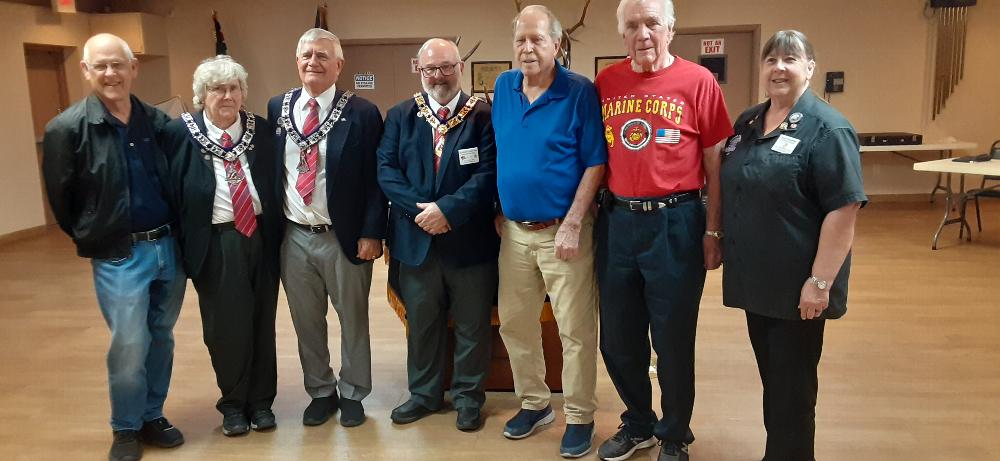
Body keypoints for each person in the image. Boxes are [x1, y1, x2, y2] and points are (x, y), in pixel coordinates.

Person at [592, 1, 733, 460]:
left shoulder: (699, 82)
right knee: (617, 335)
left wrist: (714, 230)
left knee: (672, 336)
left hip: (677, 222)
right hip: (617, 222)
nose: (643, 33)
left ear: (670, 28)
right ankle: (638, 424)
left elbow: (715, 161)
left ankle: (674, 433)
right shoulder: (606, 84)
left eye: (652, 23)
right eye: (632, 25)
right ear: (622, 34)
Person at [720, 30, 866, 461]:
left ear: (809, 68)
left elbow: (844, 211)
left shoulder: (829, 128)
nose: (778, 67)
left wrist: (819, 283)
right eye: (771, 60)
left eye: (790, 59)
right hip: (757, 284)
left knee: (793, 390)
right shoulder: (749, 121)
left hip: (798, 288)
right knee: (776, 382)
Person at [42, 33, 186, 461]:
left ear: (133, 69)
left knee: (160, 336)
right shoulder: (66, 129)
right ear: (85, 70)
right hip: (119, 256)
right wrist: (95, 235)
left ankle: (151, 415)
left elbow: (176, 181)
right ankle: (125, 426)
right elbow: (62, 200)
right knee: (128, 342)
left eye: (118, 64)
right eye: (100, 65)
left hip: (166, 247)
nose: (110, 73)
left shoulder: (158, 124)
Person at [491, 5, 607, 458]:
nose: (527, 48)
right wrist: (498, 212)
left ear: (557, 45)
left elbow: (596, 161)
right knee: (516, 324)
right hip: (515, 234)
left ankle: (578, 415)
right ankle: (535, 404)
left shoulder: (579, 92)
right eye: (521, 39)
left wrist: (575, 222)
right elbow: (500, 152)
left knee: (575, 331)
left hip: (565, 231)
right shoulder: (503, 87)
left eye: (537, 39)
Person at [377, 38, 498, 432]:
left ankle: (467, 398)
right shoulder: (400, 116)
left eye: (446, 67)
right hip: (416, 242)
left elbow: (488, 174)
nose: (438, 76)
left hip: (470, 241)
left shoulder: (482, 115)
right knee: (424, 324)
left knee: (471, 324)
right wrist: (423, 212)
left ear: (460, 66)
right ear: (419, 70)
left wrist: (449, 210)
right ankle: (424, 395)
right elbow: (386, 171)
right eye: (430, 69)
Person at [267, 28, 386, 428]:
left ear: (339, 65)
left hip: (345, 235)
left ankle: (353, 392)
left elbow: (375, 179)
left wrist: (373, 231)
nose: (312, 61)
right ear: (296, 61)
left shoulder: (363, 113)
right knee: (306, 321)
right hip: (294, 235)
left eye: (322, 55)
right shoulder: (276, 108)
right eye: (306, 55)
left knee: (353, 319)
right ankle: (320, 391)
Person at [162, 55, 281, 437]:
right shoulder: (181, 134)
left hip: (261, 238)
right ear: (202, 95)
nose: (226, 95)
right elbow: (170, 191)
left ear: (243, 93)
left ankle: (262, 403)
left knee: (262, 322)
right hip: (216, 242)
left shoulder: (260, 130)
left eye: (233, 88)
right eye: (217, 89)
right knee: (226, 328)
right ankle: (233, 404)